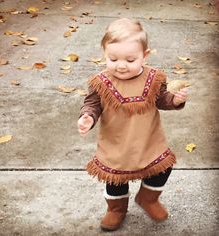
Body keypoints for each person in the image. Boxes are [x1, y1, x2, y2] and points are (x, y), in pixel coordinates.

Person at [77, 18, 188, 231]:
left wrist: (175, 100)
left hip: (148, 139)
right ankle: (116, 209)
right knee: (116, 180)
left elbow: (161, 99)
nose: (120, 65)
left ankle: (148, 198)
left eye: (130, 60)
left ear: (144, 56)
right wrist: (87, 118)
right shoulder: (101, 82)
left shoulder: (153, 78)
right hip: (117, 143)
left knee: (162, 168)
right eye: (113, 58)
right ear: (104, 52)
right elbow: (92, 104)